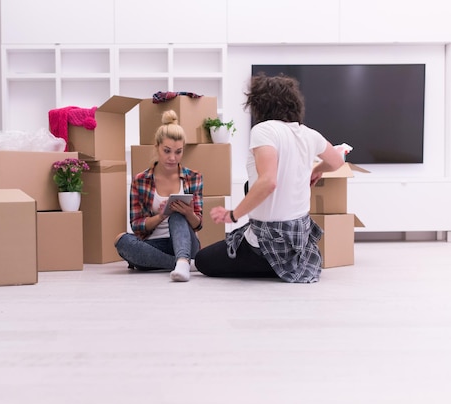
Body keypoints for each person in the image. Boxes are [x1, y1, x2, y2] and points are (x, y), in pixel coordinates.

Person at [194, 73, 345, 283]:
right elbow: (337, 161)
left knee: (202, 260)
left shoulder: (263, 130)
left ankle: (271, 265)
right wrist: (317, 169)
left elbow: (268, 181)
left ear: (259, 104)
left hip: (269, 241)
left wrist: (233, 214)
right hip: (297, 238)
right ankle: (286, 262)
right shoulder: (309, 134)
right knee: (248, 191)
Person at [114, 110, 203, 282]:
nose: (172, 157)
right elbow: (137, 226)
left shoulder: (193, 178)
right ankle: (184, 264)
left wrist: (189, 213)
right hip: (155, 245)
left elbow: (198, 225)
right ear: (157, 148)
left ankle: (183, 260)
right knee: (121, 240)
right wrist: (161, 215)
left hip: (186, 243)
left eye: (178, 152)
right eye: (167, 151)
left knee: (177, 216)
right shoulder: (140, 180)